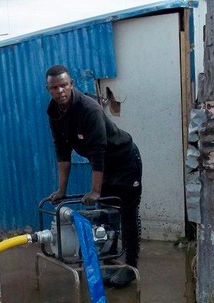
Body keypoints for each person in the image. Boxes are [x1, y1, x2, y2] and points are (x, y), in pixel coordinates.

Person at [45, 64, 142, 288]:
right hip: (105, 166)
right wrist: (62, 190)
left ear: (71, 85)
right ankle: (113, 263)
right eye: (54, 87)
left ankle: (131, 267)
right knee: (106, 216)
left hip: (125, 161)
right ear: (48, 89)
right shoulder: (54, 113)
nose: (59, 91)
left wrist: (95, 190)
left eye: (63, 85)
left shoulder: (89, 109)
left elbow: (99, 151)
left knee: (127, 213)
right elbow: (62, 151)